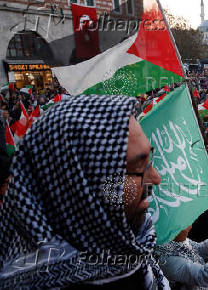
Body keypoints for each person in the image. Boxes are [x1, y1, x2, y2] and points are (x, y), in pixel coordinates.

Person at [0, 96, 168, 289]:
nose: (156, 178)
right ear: (81, 188)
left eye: (149, 159)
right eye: (138, 166)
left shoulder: (133, 248)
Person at [154, 224, 208, 290]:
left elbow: (197, 249)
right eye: (185, 224)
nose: (190, 226)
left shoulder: (178, 240)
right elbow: (206, 275)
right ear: (171, 231)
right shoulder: (167, 260)